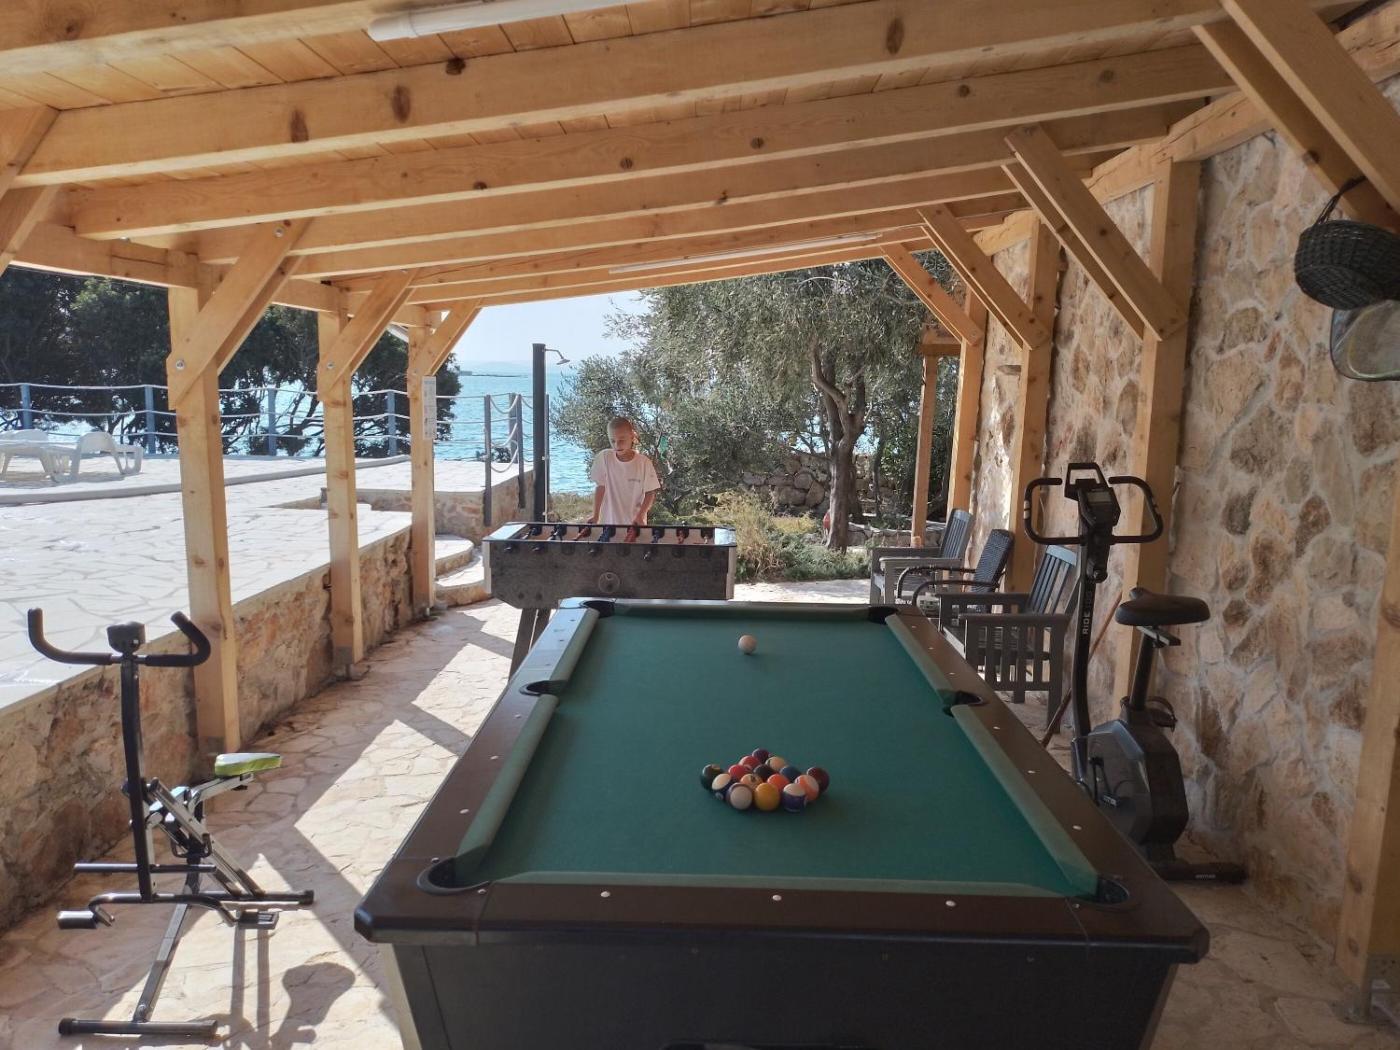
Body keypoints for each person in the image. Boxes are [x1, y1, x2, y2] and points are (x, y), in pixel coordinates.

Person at [589, 416, 660, 526]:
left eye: (621, 440)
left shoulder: (644, 463)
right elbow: (600, 487)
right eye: (613, 441)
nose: (617, 445)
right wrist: (596, 515)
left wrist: (640, 515)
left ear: (632, 437)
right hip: (607, 523)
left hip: (635, 525)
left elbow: (650, 493)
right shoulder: (604, 457)